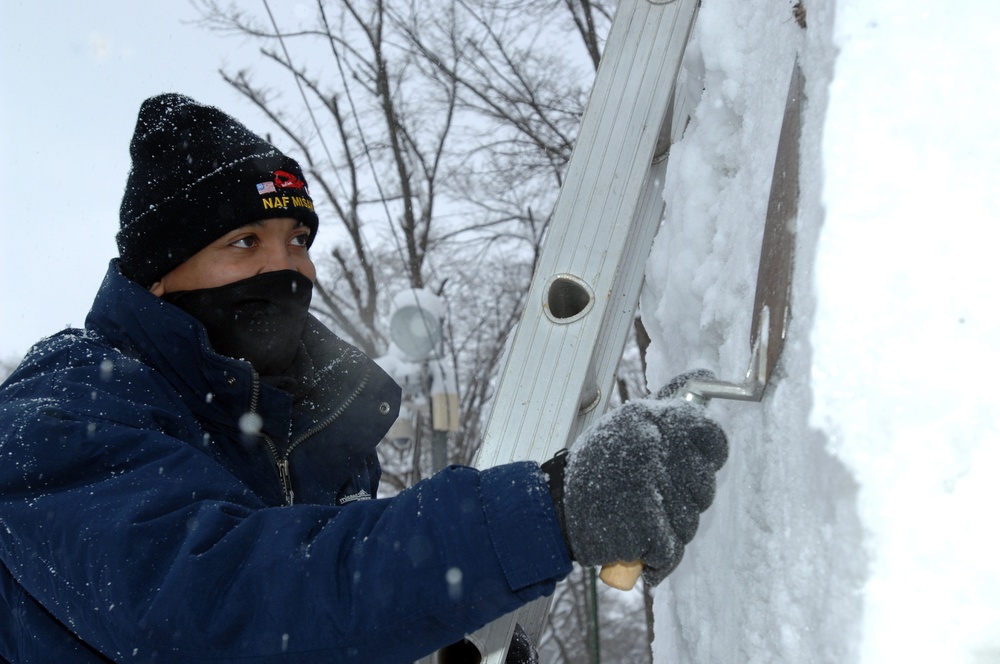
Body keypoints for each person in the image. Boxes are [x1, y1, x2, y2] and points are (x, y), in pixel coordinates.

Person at [0, 94, 728, 663]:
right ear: (159, 276)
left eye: (298, 241)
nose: (284, 267)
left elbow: (321, 625)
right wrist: (545, 513)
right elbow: (217, 609)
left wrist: (446, 642)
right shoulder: (58, 416)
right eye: (245, 242)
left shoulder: (307, 424)